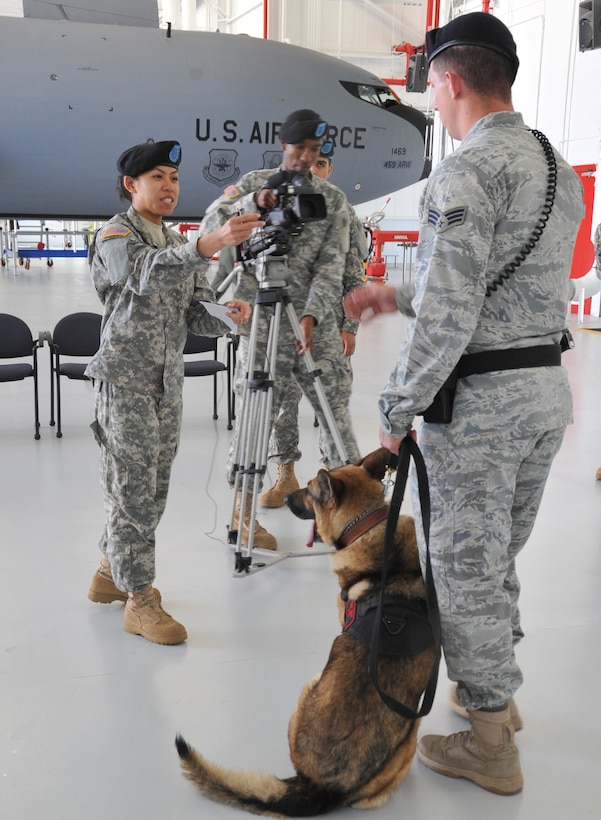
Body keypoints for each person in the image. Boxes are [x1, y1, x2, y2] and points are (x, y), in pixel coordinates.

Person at [344, 12, 583, 795]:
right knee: (494, 557)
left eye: (433, 91)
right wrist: (399, 292)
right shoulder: (554, 166)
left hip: (478, 408)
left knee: (461, 570)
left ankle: (489, 742)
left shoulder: (467, 169)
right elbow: (504, 288)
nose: (435, 104)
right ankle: (497, 703)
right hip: (543, 393)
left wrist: (397, 401)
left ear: (446, 81)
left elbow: (455, 308)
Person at [86, 139, 258, 645]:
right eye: (158, 177)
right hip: (127, 383)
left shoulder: (173, 240)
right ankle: (139, 598)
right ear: (131, 185)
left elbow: (195, 309)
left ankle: (107, 573)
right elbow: (140, 275)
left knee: (151, 490)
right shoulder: (117, 235)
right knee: (132, 490)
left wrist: (231, 315)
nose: (169, 187)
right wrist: (206, 245)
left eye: (175, 179)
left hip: (166, 385)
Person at [199, 109, 361, 550]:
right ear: (284, 145)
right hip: (262, 322)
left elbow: (334, 266)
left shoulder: (332, 200)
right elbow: (211, 225)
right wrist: (256, 205)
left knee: (336, 419)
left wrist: (311, 315)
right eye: (299, 149)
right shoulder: (253, 185)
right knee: (255, 415)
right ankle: (243, 515)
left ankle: (350, 516)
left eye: (314, 150)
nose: (306, 157)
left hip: (316, 324)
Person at [259, 145, 367, 508]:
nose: (314, 171)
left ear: (330, 169)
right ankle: (285, 475)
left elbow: (354, 275)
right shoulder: (277, 209)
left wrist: (349, 326)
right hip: (283, 327)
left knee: (331, 408)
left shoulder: (343, 214)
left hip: (328, 328)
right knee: (282, 406)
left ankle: (330, 485)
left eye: (321, 164)